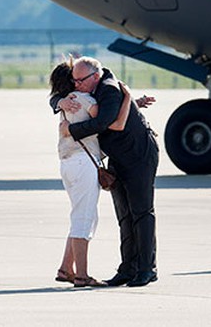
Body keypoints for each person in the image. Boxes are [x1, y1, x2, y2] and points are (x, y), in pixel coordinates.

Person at [52, 56, 159, 287]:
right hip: (118, 158)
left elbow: (105, 123)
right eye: (74, 81)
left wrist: (71, 129)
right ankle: (127, 268)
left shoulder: (109, 90)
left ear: (95, 77)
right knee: (124, 215)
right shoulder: (92, 90)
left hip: (138, 155)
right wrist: (59, 102)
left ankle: (146, 268)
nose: (76, 85)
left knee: (141, 212)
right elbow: (57, 96)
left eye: (80, 81)